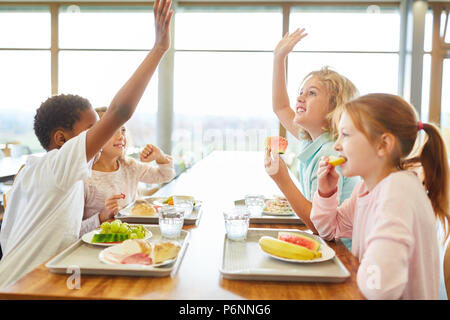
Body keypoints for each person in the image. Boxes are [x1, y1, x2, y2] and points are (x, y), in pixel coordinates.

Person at [0, 0, 174, 288]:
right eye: (93, 129)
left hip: (43, 280)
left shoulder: (48, 173)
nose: (104, 135)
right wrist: (159, 49)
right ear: (61, 139)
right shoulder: (57, 165)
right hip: (24, 287)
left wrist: (101, 219)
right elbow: (120, 111)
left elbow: (59, 234)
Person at [311, 93, 450, 299]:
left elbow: (379, 286)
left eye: (346, 135)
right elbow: (329, 230)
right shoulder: (366, 190)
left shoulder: (398, 190)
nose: (337, 145)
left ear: (383, 144)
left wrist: (357, 270)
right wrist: (326, 193)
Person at [265, 28, 360, 239]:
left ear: (334, 108)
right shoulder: (313, 139)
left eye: (311, 93)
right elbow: (281, 106)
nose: (300, 98)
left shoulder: (330, 153)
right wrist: (278, 58)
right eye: (300, 92)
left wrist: (282, 180)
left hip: (344, 253)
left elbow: (319, 226)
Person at [81, 107, 175, 236]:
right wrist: (101, 217)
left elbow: (165, 175)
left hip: (131, 239)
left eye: (123, 130)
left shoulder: (130, 166)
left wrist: (160, 157)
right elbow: (75, 231)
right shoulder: (84, 178)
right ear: (94, 136)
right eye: (113, 130)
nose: (121, 136)